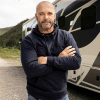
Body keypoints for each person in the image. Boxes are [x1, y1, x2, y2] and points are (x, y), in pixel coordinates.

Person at [21, 1, 81, 100]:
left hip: (61, 96)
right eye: (41, 14)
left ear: (54, 15)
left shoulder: (66, 36)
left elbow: (76, 62)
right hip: (36, 96)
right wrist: (60, 59)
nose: (46, 18)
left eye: (49, 13)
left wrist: (47, 60)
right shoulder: (28, 40)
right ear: (36, 16)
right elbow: (31, 70)